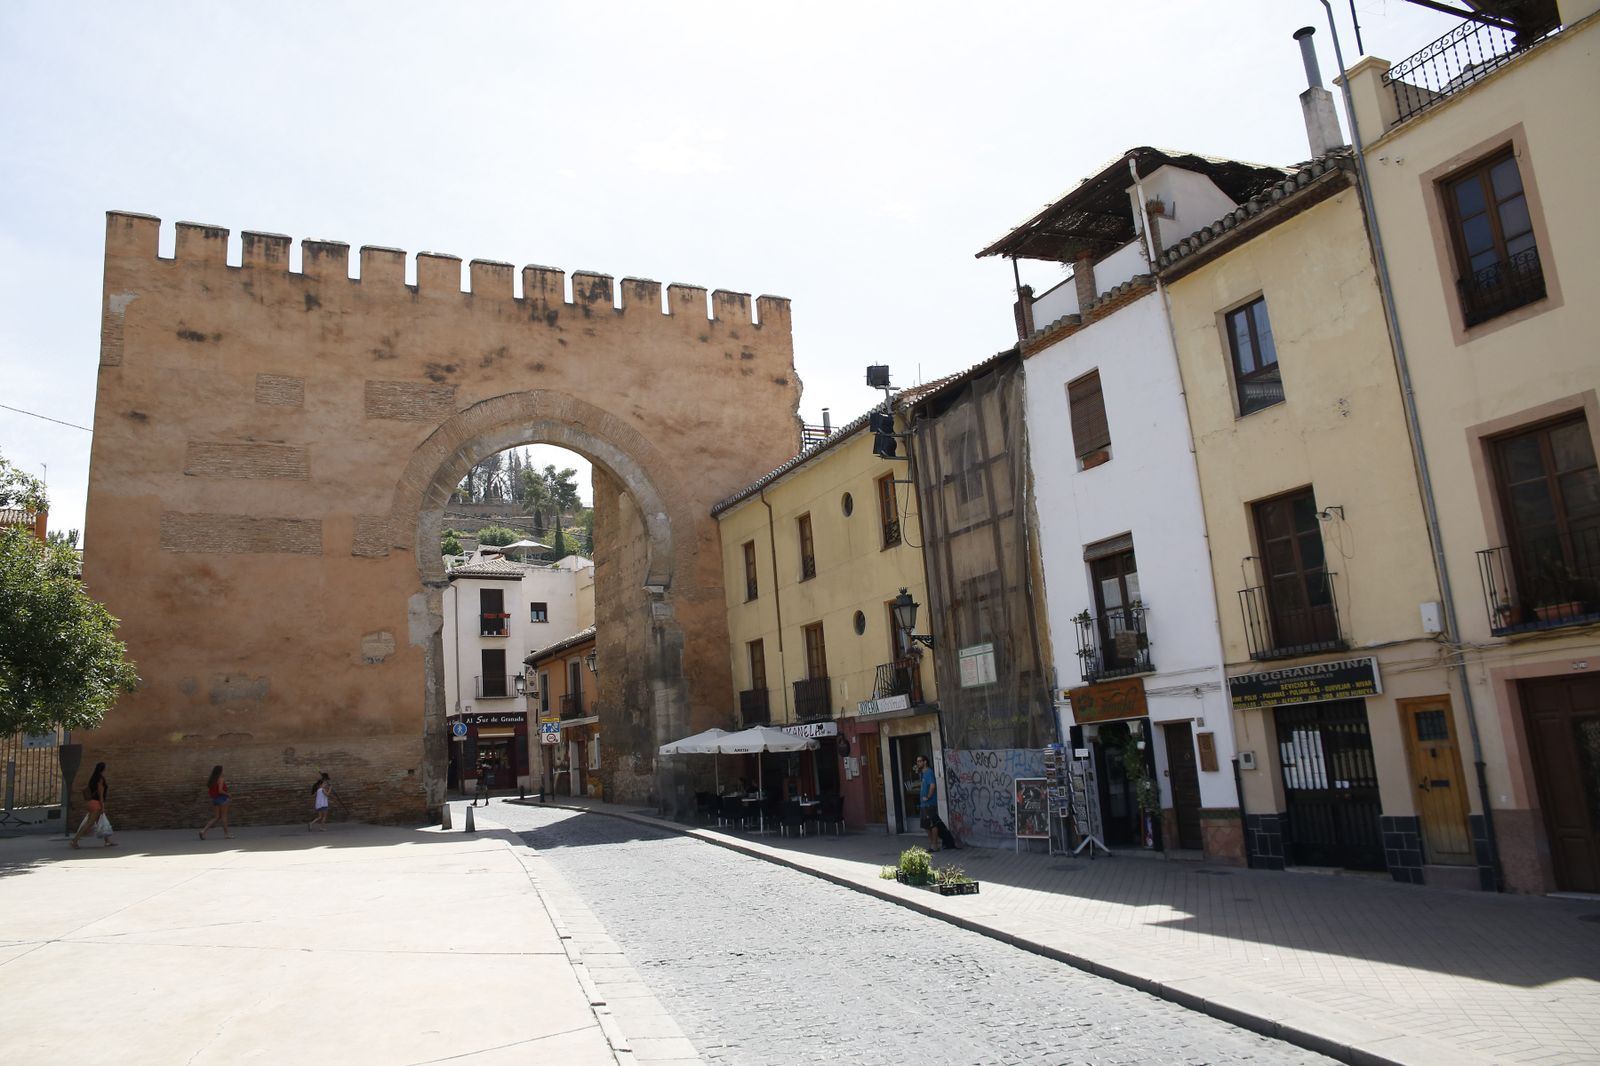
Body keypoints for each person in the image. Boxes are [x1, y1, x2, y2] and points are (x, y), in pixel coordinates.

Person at [70, 761, 115, 848]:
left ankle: (107, 841)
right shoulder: (100, 779)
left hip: (91, 803)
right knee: (89, 823)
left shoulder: (93, 778)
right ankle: (74, 841)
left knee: (100, 822)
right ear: (103, 769)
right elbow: (100, 794)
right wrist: (102, 807)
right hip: (96, 803)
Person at [199, 765, 233, 839]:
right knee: (224, 817)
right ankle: (226, 834)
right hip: (222, 799)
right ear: (220, 771)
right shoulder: (220, 779)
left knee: (216, 817)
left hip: (215, 799)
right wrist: (228, 794)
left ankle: (203, 831)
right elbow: (220, 791)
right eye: (223, 770)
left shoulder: (213, 779)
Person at [916, 754, 940, 852]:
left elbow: (932, 785)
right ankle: (931, 845)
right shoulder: (922, 773)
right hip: (923, 804)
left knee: (932, 824)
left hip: (930, 803)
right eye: (917, 761)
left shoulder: (929, 772)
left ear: (925, 762)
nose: (918, 763)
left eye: (920, 761)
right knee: (926, 825)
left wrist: (928, 796)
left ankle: (934, 845)